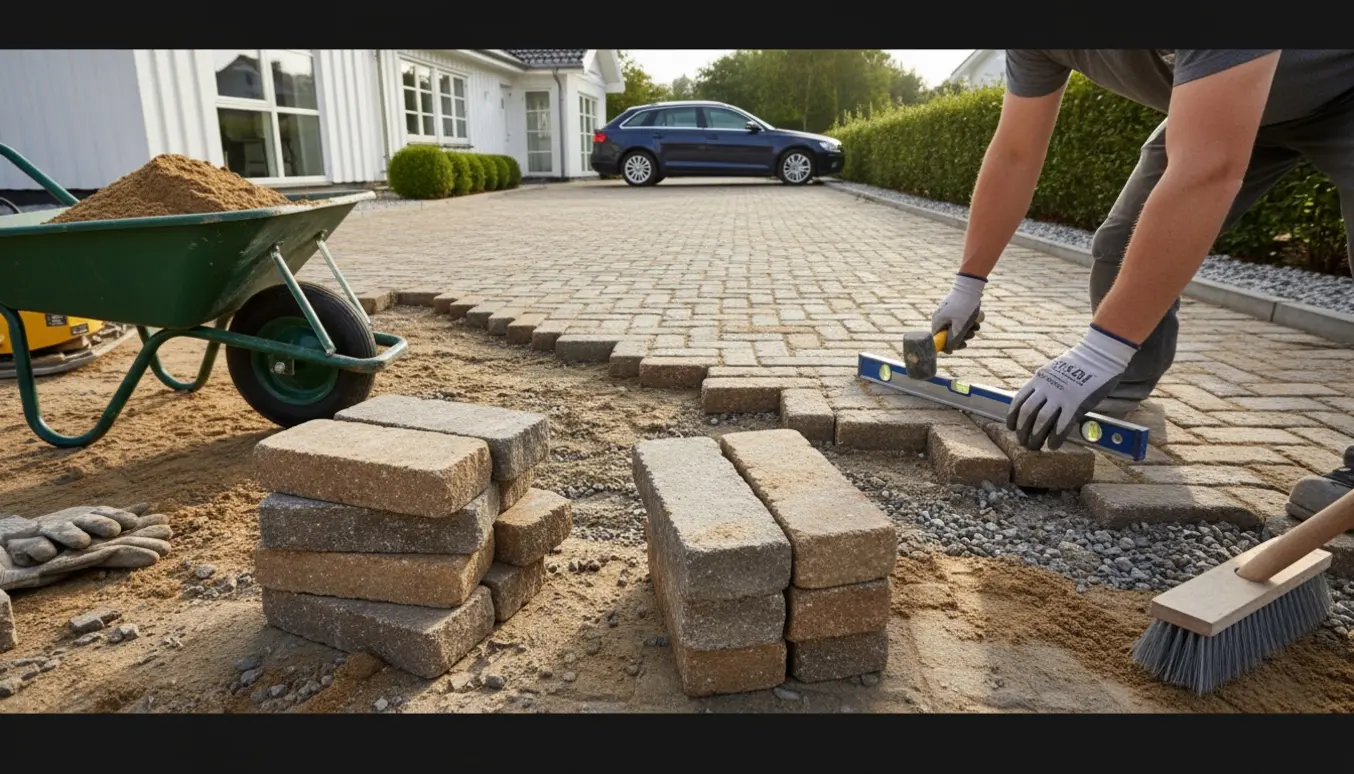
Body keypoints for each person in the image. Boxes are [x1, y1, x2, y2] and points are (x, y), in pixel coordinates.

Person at [928, 50, 1354, 521]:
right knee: (1119, 248)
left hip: (1340, 92)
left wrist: (1097, 352)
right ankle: (1125, 383)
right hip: (1222, 102)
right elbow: (1014, 153)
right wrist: (968, 284)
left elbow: (1208, 168)